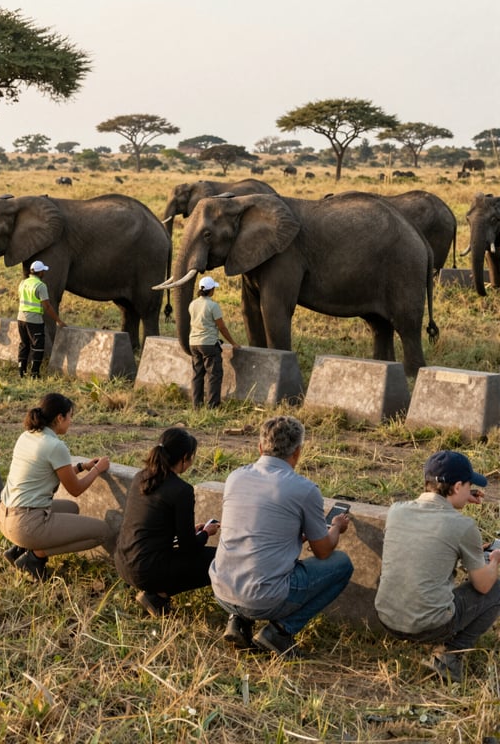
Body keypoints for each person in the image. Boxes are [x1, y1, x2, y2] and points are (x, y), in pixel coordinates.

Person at [209, 415, 353, 654]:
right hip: (264, 598)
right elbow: (323, 550)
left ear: (259, 447)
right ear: (297, 452)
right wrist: (336, 527)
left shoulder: (234, 477)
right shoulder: (304, 489)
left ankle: (237, 620)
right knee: (342, 564)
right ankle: (280, 631)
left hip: (222, 590)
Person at [375, 450, 500, 681]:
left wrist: (458, 501)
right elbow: (483, 586)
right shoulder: (463, 526)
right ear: (457, 486)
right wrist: (494, 560)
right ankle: (449, 658)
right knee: (496, 588)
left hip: (387, 618)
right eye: (469, 485)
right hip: (429, 626)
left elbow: (429, 536)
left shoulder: (396, 510)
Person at [0, 393, 113, 580]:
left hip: (5, 515)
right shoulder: (55, 446)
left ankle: (19, 549)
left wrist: (82, 467)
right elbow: (75, 489)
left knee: (71, 508)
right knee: (102, 532)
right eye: (70, 417)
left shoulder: (28, 435)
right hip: (26, 523)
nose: (70, 422)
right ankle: (34, 557)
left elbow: (51, 472)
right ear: (60, 418)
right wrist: (98, 469)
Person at [114, 427, 220, 617]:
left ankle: (155, 595)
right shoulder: (182, 490)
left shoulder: (141, 476)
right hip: (146, 570)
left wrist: (191, 531)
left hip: (123, 562)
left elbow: (153, 527)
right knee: (220, 559)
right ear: (185, 458)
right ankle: (158, 594)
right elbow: (189, 548)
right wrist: (206, 533)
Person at [188, 275, 239, 408]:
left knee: (197, 374)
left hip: (193, 343)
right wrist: (233, 343)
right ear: (211, 290)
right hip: (209, 344)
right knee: (214, 375)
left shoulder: (193, 304)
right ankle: (212, 406)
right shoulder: (213, 305)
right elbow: (221, 327)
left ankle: (196, 405)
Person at [17, 260, 66, 379]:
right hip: (34, 320)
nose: (44, 272)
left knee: (24, 344)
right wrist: (58, 321)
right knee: (37, 346)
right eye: (43, 271)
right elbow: (47, 306)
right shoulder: (41, 286)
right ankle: (35, 373)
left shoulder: (23, 283)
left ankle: (21, 372)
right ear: (40, 273)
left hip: (21, 318)